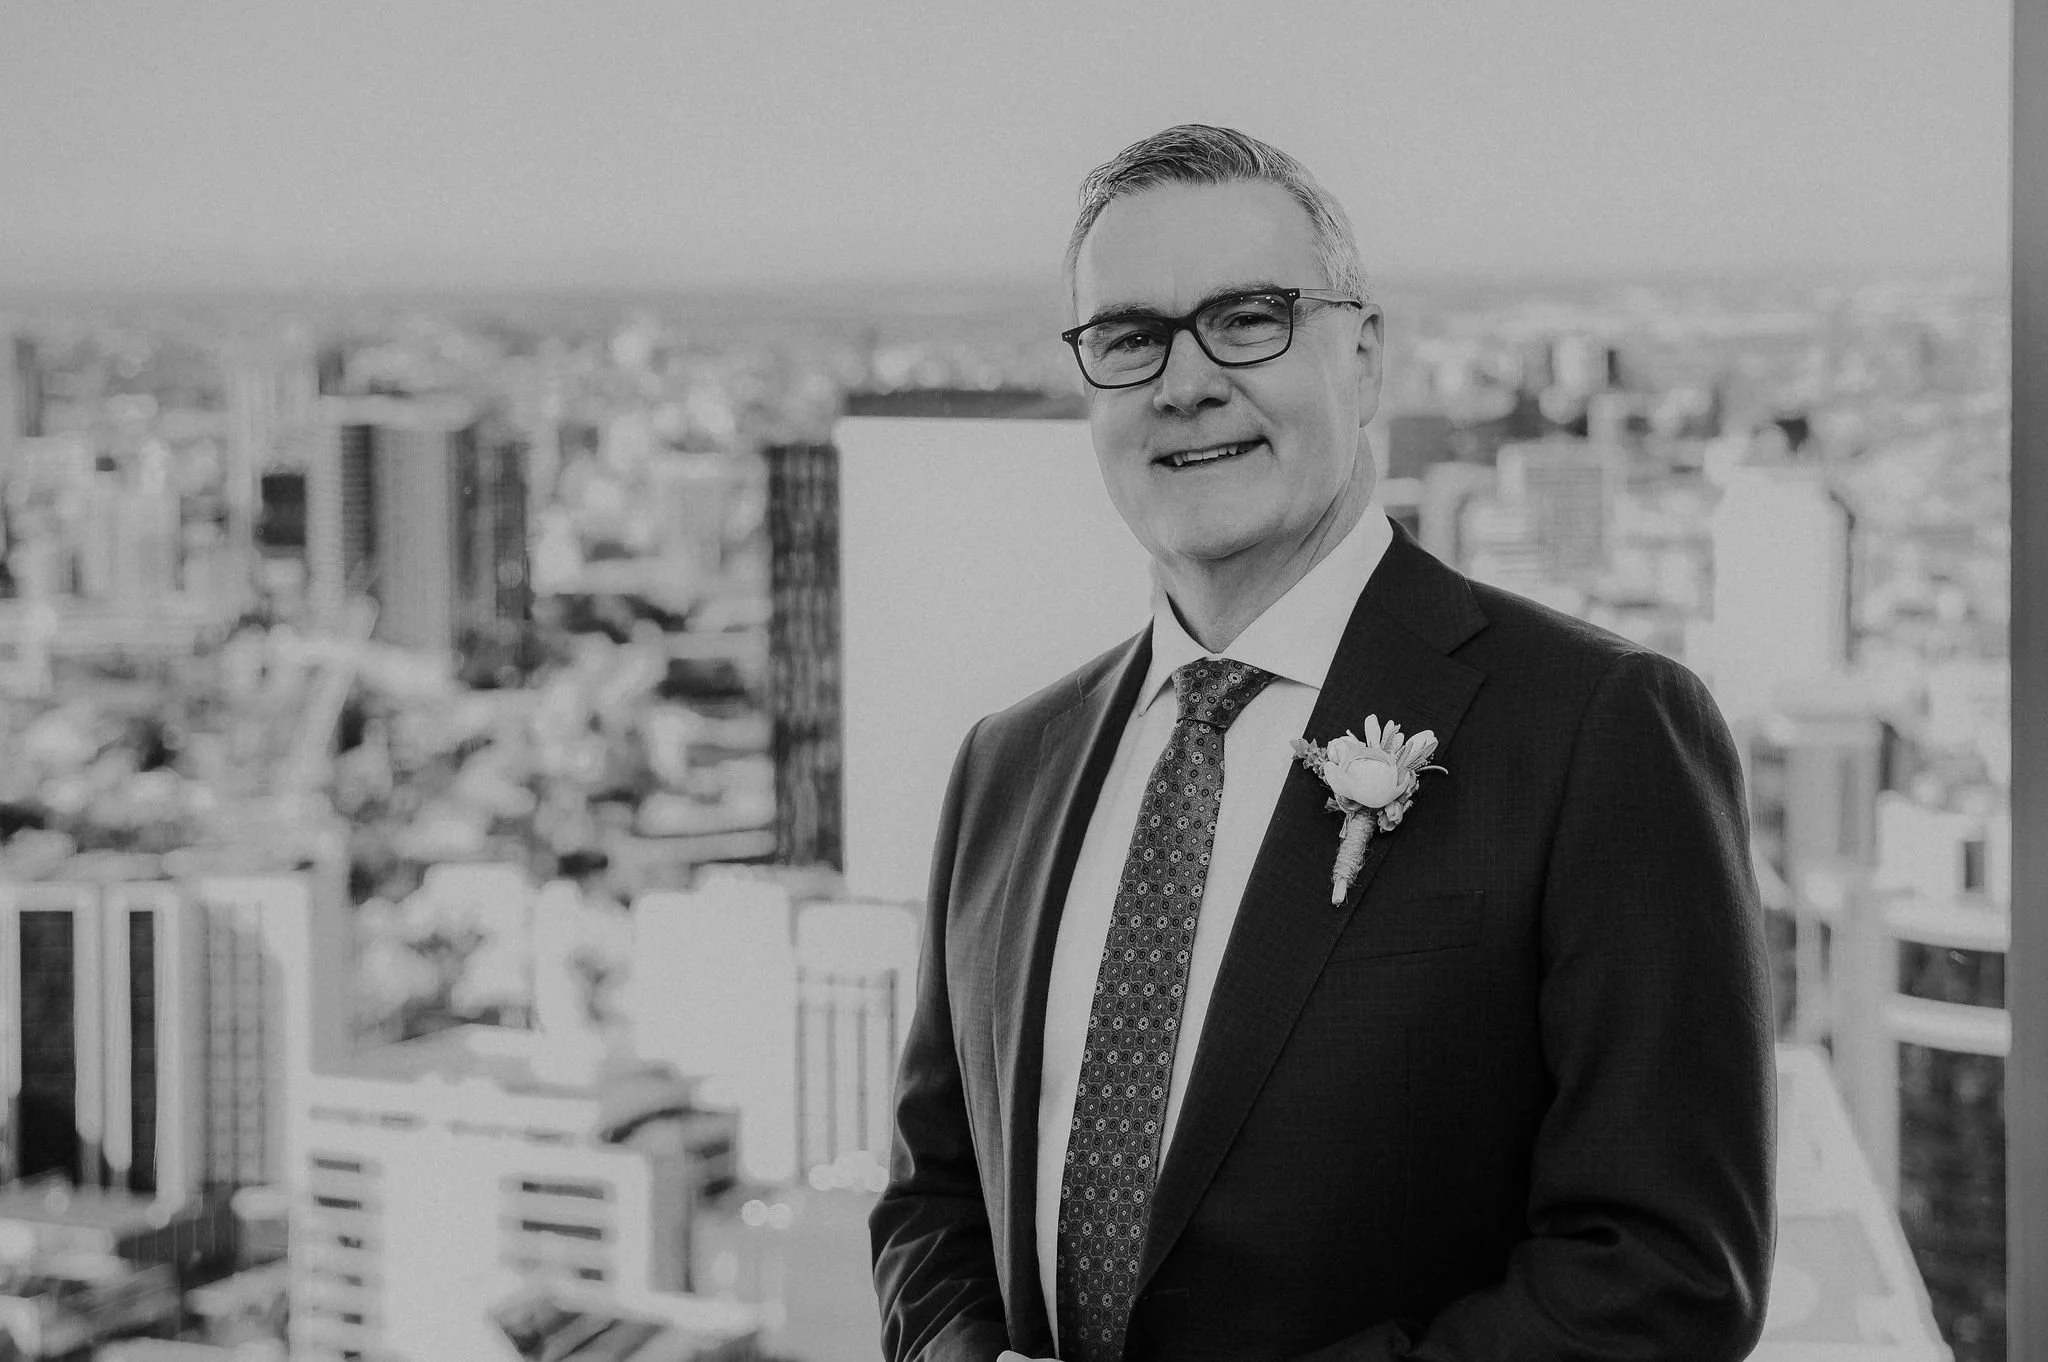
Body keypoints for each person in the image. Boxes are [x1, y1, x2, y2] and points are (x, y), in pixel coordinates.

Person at [870, 124, 1775, 1362]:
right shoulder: (1005, 766)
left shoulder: (1595, 730)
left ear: (1364, 357)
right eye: (1130, 338)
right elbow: (931, 1199)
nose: (1185, 382)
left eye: (1248, 319)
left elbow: (1663, 1275)